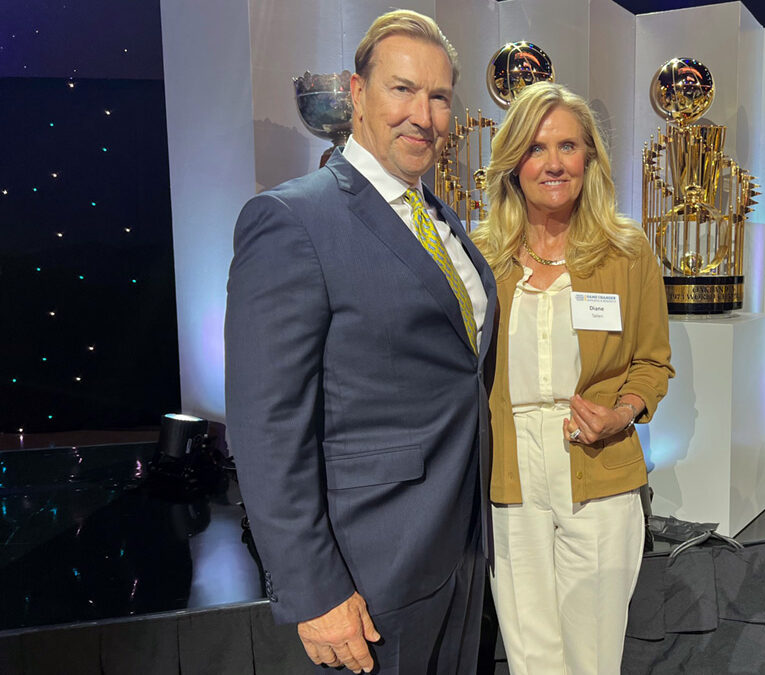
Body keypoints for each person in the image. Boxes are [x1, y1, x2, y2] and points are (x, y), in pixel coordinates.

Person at [224, 10, 496, 674]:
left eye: (437, 97)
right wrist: (313, 589)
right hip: (368, 573)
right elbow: (265, 427)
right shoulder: (293, 219)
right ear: (356, 94)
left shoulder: (443, 219)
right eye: (402, 89)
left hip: (464, 550)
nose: (422, 115)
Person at [471, 82, 674, 674]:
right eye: (536, 149)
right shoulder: (483, 256)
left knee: (592, 655)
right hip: (511, 474)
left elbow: (653, 362)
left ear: (589, 158)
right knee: (531, 655)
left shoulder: (627, 252)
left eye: (567, 146)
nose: (553, 163)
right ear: (513, 164)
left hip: (598, 469)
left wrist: (622, 412)